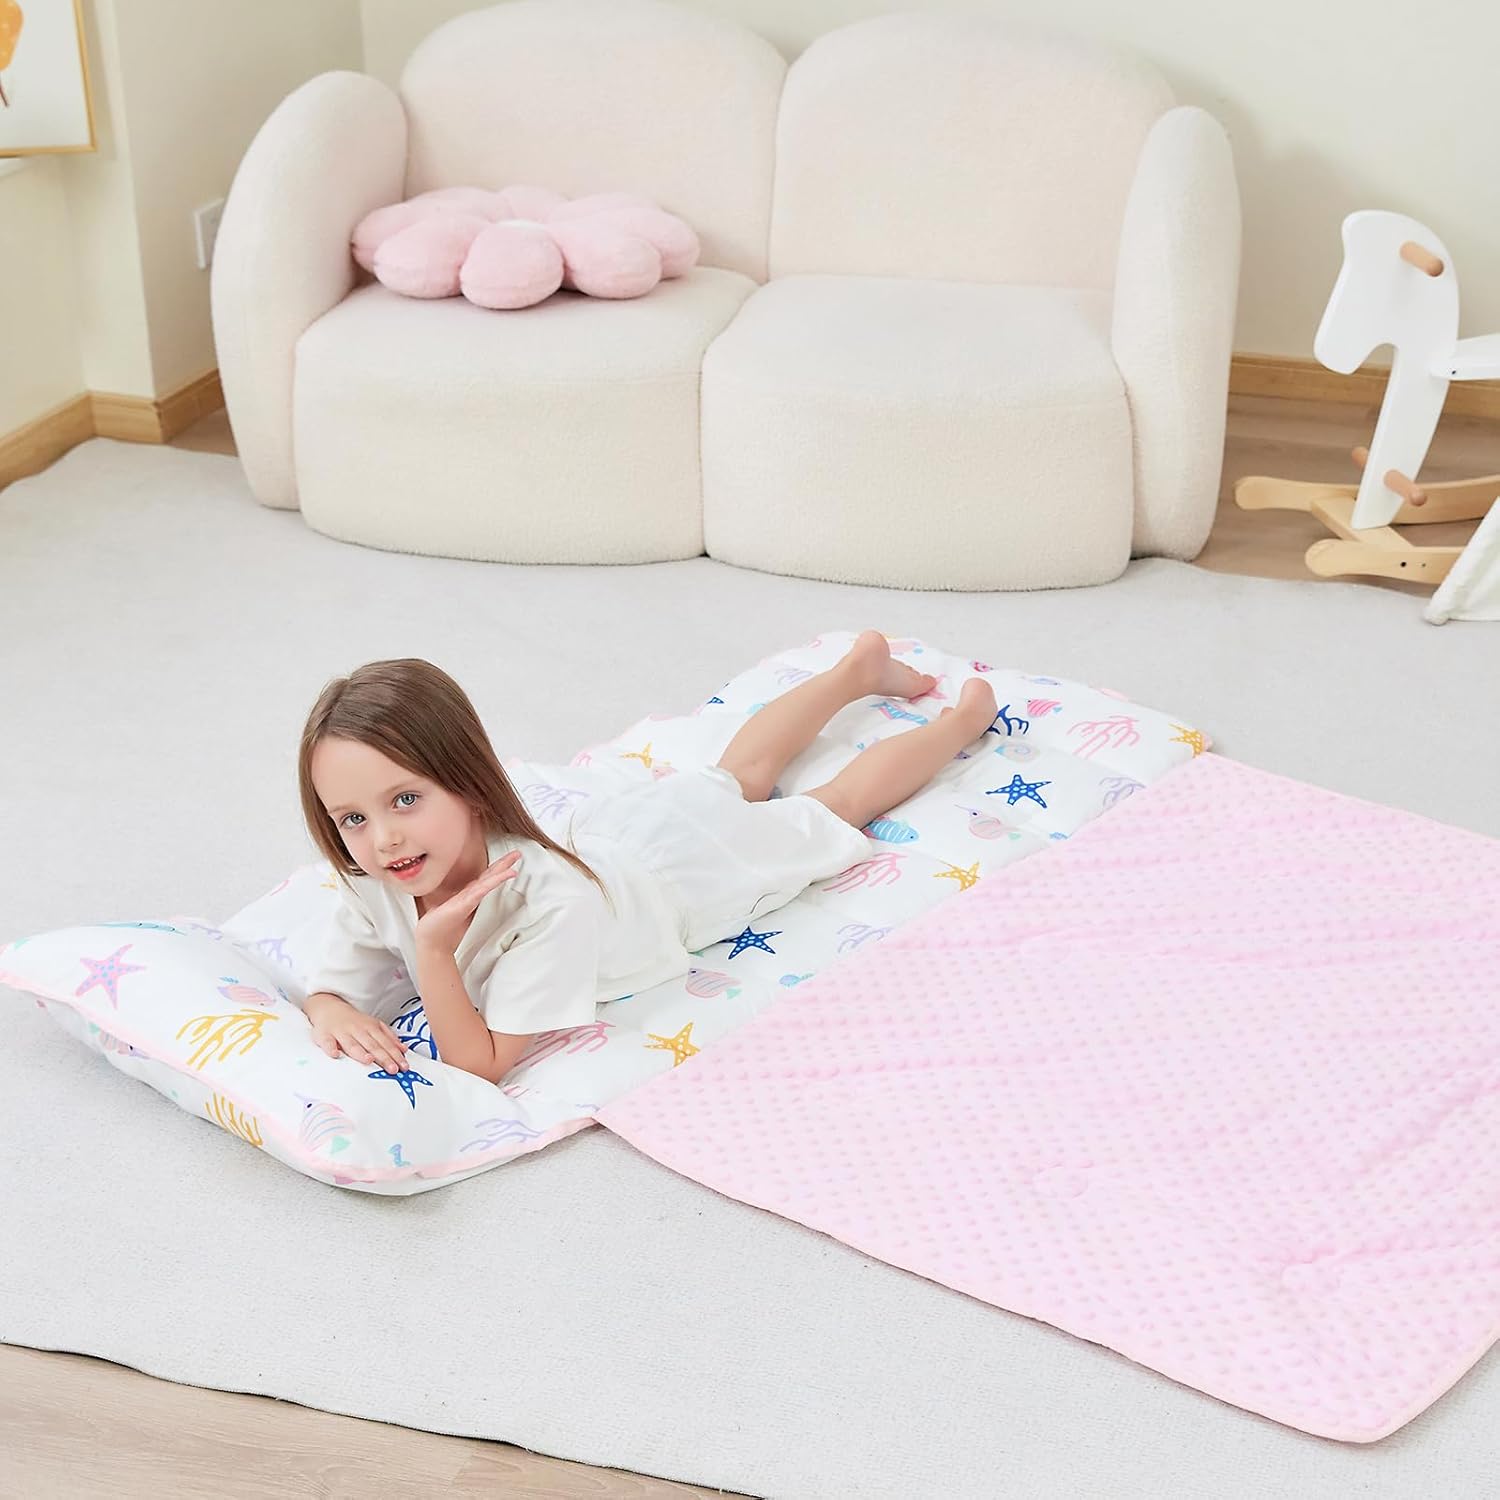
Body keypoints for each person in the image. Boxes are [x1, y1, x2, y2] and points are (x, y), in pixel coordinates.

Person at [297, 630, 999, 1085]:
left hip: (678, 883)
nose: (382, 840)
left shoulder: (547, 904)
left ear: (470, 785)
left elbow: (478, 1066)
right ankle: (854, 672)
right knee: (736, 777)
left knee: (829, 806)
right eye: (352, 818)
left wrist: (433, 953)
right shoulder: (373, 880)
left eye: (405, 801)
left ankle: (959, 723)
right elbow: (330, 990)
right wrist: (330, 1011)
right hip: (614, 839)